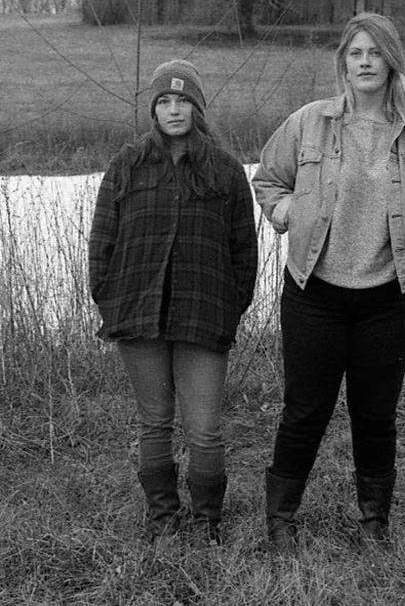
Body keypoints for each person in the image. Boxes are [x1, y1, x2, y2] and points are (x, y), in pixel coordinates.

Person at [251, 13, 405, 551]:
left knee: (375, 413)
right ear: (342, 62)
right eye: (355, 53)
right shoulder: (308, 123)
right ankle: (281, 522)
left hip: (391, 298)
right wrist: (283, 213)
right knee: (305, 409)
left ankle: (374, 524)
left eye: (375, 53)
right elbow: (269, 178)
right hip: (314, 293)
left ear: (391, 61)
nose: (365, 62)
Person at [88, 59, 258, 546]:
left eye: (183, 100)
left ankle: (207, 522)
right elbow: (102, 239)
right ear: (153, 110)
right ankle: (162, 517)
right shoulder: (128, 163)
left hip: (204, 318)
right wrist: (109, 299)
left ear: (198, 107)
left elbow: (244, 250)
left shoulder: (225, 170)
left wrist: (231, 306)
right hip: (138, 316)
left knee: (204, 429)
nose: (174, 109)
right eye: (164, 101)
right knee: (155, 422)